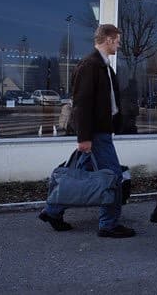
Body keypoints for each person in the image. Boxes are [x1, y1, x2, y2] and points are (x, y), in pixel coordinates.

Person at [39, 24, 135, 238]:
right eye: (117, 40)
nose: (119, 44)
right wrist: (84, 137)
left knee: (77, 174)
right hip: (95, 134)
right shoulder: (90, 65)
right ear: (108, 39)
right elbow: (81, 103)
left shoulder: (104, 66)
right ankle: (109, 224)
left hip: (101, 131)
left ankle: (52, 211)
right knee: (113, 176)